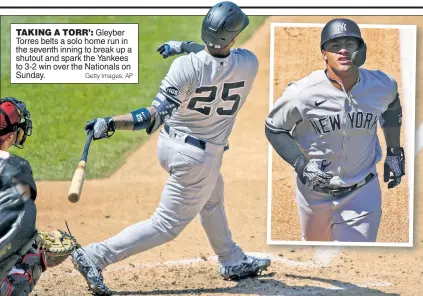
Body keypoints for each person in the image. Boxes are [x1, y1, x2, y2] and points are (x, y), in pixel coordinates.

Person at [71, 2, 271, 295]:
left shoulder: (184, 68)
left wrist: (111, 122)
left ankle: (231, 258)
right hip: (198, 158)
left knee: (211, 197)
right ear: (235, 38)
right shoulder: (248, 64)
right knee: (166, 225)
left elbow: (152, 116)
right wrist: (184, 46)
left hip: (170, 145)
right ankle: (95, 255)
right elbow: (218, 57)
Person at [265, 18, 405, 242]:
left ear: (361, 49)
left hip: (362, 194)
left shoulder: (382, 85)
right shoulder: (303, 93)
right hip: (313, 194)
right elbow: (274, 128)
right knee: (315, 258)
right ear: (324, 54)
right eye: (334, 46)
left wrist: (395, 151)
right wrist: (301, 164)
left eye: (350, 44)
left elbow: (391, 107)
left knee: (355, 260)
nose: (343, 51)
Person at [0, 98, 79, 295]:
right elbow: (18, 228)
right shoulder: (12, 170)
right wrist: (33, 242)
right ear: (11, 136)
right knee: (32, 256)